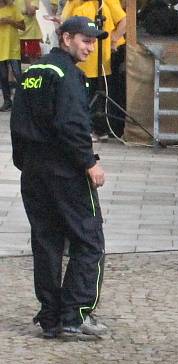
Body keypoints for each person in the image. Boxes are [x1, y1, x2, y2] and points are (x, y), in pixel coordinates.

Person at [10, 16, 108, 339]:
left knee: (47, 242)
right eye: (85, 40)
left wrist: (23, 160)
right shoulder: (67, 75)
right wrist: (89, 162)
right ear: (65, 38)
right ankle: (76, 315)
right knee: (88, 239)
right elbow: (72, 124)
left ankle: (51, 315)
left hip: (34, 171)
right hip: (66, 170)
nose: (90, 46)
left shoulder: (32, 72)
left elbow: (17, 120)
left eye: (93, 41)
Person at [59, 0, 126, 140]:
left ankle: (100, 129)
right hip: (84, 62)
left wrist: (114, 38)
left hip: (100, 60)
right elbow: (64, 23)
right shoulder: (74, 3)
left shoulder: (104, 3)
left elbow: (124, 20)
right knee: (87, 96)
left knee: (98, 96)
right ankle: (92, 129)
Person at [0, 0, 23, 111]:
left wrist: (10, 21)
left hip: (13, 48)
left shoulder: (13, 8)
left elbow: (23, 26)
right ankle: (7, 101)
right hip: (0, 48)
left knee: (18, 75)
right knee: (3, 77)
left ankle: (23, 100)